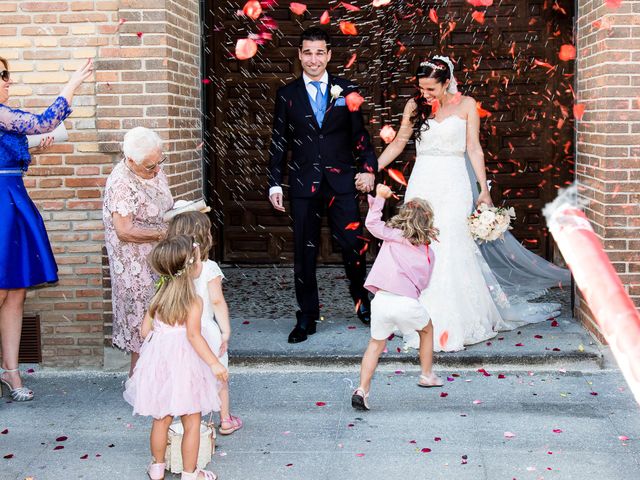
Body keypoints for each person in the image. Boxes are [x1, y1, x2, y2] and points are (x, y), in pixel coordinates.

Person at [372, 56, 569, 352]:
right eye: (421, 88)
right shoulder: (415, 106)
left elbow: (474, 148)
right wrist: (371, 168)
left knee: (450, 243)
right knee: (419, 245)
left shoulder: (467, 106)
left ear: (447, 82)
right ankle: (418, 316)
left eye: (430, 89)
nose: (425, 95)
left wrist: (482, 190)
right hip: (422, 183)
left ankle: (456, 320)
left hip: (453, 184)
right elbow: (399, 142)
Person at [267, 27, 378, 343]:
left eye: (319, 52)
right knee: (304, 252)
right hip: (304, 184)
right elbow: (279, 142)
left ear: (329, 55)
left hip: (342, 182)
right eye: (307, 52)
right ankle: (307, 316)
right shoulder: (287, 95)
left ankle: (362, 302)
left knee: (352, 246)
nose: (313, 59)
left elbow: (361, 137)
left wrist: (368, 170)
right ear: (300, 55)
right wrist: (275, 183)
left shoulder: (347, 90)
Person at [0, 57, 93, 401]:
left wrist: (33, 147)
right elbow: (43, 121)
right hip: (1, 206)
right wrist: (72, 84)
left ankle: (11, 371)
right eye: (3, 75)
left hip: (14, 202)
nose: (8, 81)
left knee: (16, 291)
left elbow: (11, 152)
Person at [123, 235, 228, 480]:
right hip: (186, 364)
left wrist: (163, 337)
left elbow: (144, 331)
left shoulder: (158, 297)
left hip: (160, 363)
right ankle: (190, 475)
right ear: (191, 266)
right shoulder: (193, 301)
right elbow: (193, 336)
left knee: (161, 417)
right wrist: (214, 364)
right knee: (191, 421)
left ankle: (157, 468)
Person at [352, 184, 441, 411]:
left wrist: (380, 198)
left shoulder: (392, 236)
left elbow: (371, 224)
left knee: (375, 344)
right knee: (427, 330)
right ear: (427, 223)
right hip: (407, 302)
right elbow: (424, 282)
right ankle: (427, 374)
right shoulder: (428, 251)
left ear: (403, 218)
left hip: (381, 301)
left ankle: (362, 389)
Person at [103, 127, 173, 376]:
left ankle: (160, 384)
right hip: (135, 267)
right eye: (149, 166)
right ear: (131, 160)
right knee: (142, 328)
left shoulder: (152, 165)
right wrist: (164, 233)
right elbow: (124, 230)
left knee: (163, 323)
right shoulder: (121, 183)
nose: (156, 170)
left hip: (158, 260)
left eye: (158, 162)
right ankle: (139, 389)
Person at [167, 211, 242, 436]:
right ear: (203, 238)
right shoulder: (209, 268)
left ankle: (189, 421)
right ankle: (225, 420)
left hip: (181, 332)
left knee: (188, 377)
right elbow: (217, 301)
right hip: (206, 332)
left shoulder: (172, 269)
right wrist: (226, 331)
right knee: (219, 376)